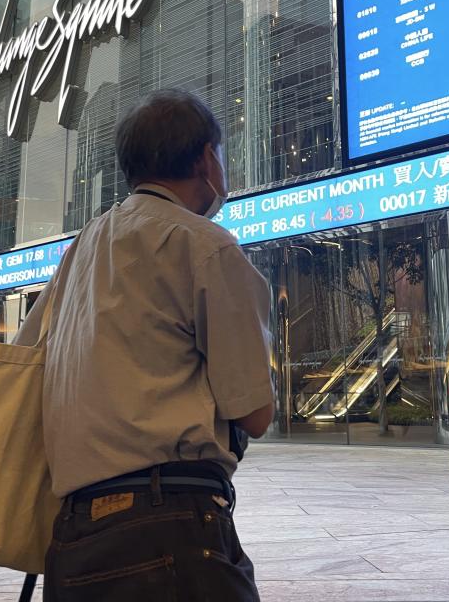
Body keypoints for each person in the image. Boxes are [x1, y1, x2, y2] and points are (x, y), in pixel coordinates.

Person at [42, 90, 275, 601]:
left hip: (76, 533)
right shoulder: (205, 244)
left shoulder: (82, 247)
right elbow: (254, 412)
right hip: (170, 526)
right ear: (205, 158)